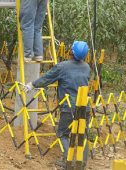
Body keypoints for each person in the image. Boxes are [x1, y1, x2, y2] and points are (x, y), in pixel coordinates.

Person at [24, 41, 91, 169]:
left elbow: (47, 78)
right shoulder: (87, 67)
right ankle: (82, 163)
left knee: (62, 133)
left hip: (69, 106)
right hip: (84, 106)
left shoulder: (62, 67)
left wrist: (31, 85)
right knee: (83, 134)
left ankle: (68, 161)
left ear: (71, 51)